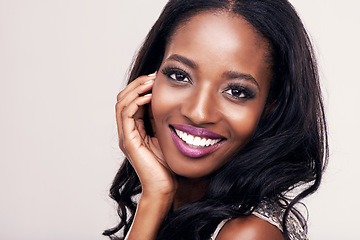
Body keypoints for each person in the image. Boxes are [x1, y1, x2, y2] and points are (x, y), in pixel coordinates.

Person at [104, 0, 328, 239]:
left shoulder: (248, 233)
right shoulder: (180, 205)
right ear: (150, 80)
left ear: (270, 108)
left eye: (236, 92)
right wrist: (156, 195)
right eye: (180, 76)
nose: (198, 113)